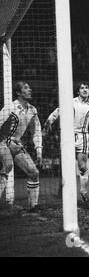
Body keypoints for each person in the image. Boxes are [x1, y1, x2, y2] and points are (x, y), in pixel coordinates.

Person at [43, 82, 89, 204]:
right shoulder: (70, 102)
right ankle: (62, 189)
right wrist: (48, 123)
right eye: (82, 88)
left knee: (82, 167)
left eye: (87, 87)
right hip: (68, 136)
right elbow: (57, 112)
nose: (85, 89)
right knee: (66, 166)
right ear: (78, 91)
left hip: (83, 137)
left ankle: (83, 193)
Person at [0, 81, 42, 211]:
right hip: (2, 142)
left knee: (34, 172)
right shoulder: (10, 108)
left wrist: (39, 150)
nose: (30, 90)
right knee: (8, 165)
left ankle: (33, 207)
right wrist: (7, 143)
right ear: (18, 92)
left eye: (29, 87)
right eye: (26, 88)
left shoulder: (32, 110)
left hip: (17, 144)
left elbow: (36, 131)